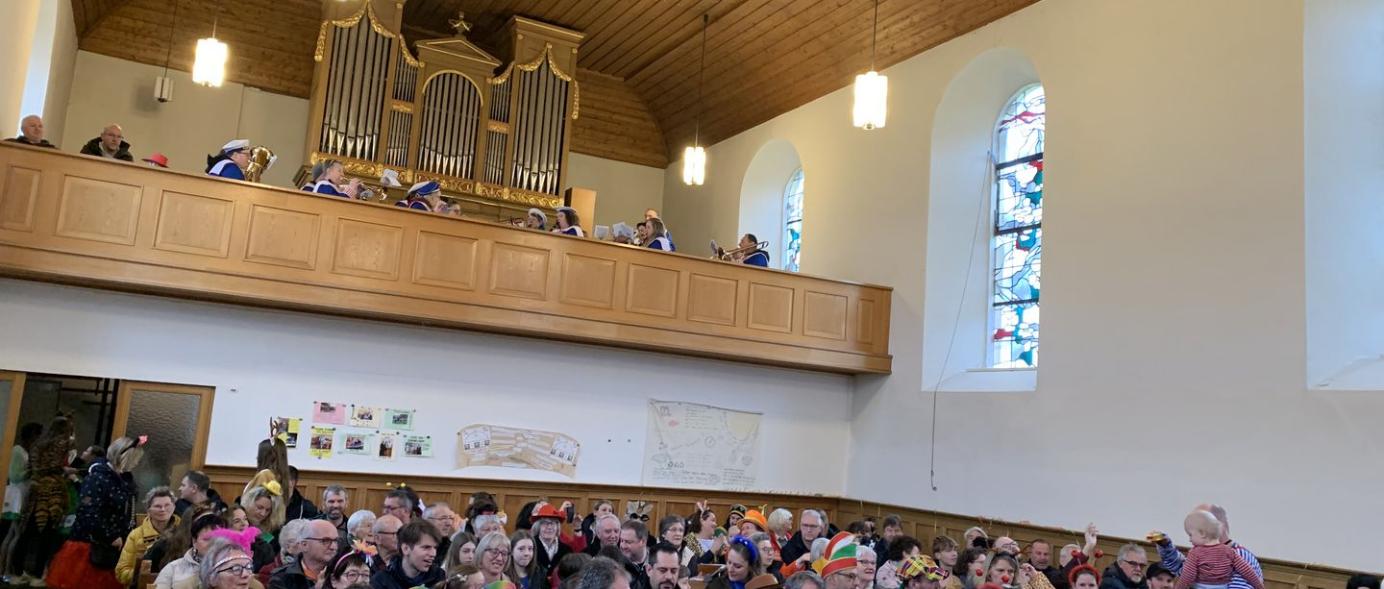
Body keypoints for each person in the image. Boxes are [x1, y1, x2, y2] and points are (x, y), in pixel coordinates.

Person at [45, 436, 145, 589]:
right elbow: (87, 512)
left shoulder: (125, 480)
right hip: (90, 547)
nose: (137, 463)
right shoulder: (98, 478)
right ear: (125, 457)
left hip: (113, 548)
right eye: (135, 459)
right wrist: (110, 536)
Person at [11, 415, 75, 585]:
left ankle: (17, 572)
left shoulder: (39, 443)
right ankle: (37, 574)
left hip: (36, 488)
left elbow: (34, 466)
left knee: (28, 531)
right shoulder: (63, 443)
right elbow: (56, 465)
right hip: (52, 490)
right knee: (47, 533)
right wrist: (64, 471)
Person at [1151, 505, 1260, 589]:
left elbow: (1187, 576)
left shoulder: (1241, 554)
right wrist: (1165, 545)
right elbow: (1181, 569)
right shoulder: (1226, 552)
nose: (1189, 539)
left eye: (1191, 534)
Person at [0, 422, 41, 582]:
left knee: (12, 534)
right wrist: (31, 470)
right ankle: (6, 571)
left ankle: (5, 569)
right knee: (15, 534)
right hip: (17, 496)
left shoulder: (23, 451)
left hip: (20, 494)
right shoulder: (18, 451)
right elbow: (15, 475)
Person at [116, 486, 179, 586]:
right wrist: (142, 573)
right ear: (148, 510)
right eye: (157, 506)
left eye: (167, 505)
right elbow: (121, 572)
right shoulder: (136, 535)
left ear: (174, 507)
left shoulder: (183, 531)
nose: (163, 509)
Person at [152, 510, 231, 589]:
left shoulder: (237, 567)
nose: (213, 544)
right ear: (194, 541)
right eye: (207, 539)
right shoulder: (173, 568)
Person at [371, 519, 446, 588]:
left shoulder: (439, 577)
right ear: (405, 549)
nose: (433, 554)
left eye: (435, 548)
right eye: (426, 547)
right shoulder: (382, 581)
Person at [268, 519, 339, 589]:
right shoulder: (282, 578)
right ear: (304, 545)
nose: (333, 547)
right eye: (325, 541)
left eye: (335, 541)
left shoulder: (343, 573)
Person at [258, 519, 309, 585]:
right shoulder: (268, 572)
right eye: (304, 543)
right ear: (289, 547)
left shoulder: (320, 567)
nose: (310, 547)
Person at [532, 503, 572, 583]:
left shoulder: (567, 550)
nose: (549, 527)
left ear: (558, 527)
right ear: (538, 526)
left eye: (553, 523)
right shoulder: (530, 546)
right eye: (545, 523)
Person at [618, 521, 651, 589]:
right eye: (621, 541)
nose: (623, 546)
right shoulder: (616, 564)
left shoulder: (657, 562)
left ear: (643, 542)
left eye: (628, 542)